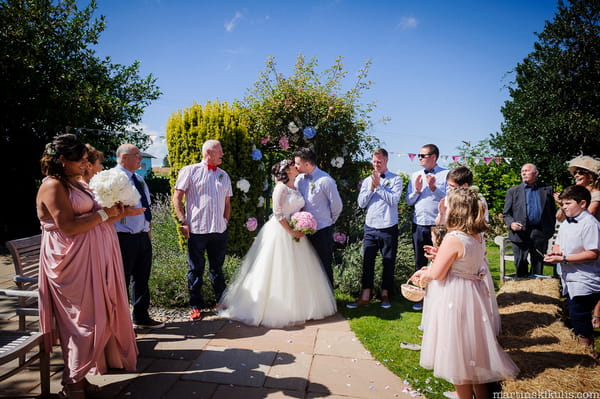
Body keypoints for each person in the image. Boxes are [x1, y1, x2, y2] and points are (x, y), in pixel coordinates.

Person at [36, 134, 140, 399]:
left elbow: (94, 214)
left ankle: (78, 378)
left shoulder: (74, 183)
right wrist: (106, 214)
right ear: (62, 159)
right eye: (80, 161)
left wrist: (119, 211)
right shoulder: (52, 186)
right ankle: (73, 383)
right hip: (70, 262)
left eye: (85, 160)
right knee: (82, 323)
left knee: (101, 315)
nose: (85, 165)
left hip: (90, 257)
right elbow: (69, 227)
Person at [410, 187, 519, 399]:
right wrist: (434, 265)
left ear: (456, 210)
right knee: (472, 356)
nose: (445, 209)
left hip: (454, 298)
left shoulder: (453, 237)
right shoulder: (476, 236)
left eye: (448, 205)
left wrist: (424, 275)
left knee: (457, 358)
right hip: (472, 296)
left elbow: (440, 273)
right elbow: (458, 262)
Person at [218, 160, 337, 327]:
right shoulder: (280, 188)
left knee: (298, 271)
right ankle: (271, 309)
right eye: (292, 165)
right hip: (280, 232)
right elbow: (278, 213)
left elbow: (299, 209)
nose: (296, 167)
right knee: (278, 270)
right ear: (287, 171)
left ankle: (300, 308)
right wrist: (291, 230)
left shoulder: (296, 186)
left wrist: (302, 222)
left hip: (296, 233)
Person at [173, 139, 232, 321]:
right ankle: (195, 305)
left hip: (218, 230)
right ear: (208, 152)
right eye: (219, 151)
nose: (222, 154)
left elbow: (227, 202)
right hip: (197, 230)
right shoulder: (190, 171)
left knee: (217, 269)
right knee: (196, 269)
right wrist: (183, 221)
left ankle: (221, 302)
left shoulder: (224, 175)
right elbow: (177, 197)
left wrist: (225, 221)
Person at [543, 185, 600, 362]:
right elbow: (559, 242)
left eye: (568, 203)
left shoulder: (590, 224)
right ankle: (587, 352)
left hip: (585, 279)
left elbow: (593, 253)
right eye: (562, 204)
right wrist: (556, 252)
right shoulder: (567, 221)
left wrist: (565, 258)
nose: (564, 207)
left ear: (583, 203)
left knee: (579, 317)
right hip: (570, 278)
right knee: (576, 316)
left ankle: (588, 355)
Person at [113, 144, 164, 329]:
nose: (140, 159)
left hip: (142, 236)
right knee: (122, 280)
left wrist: (148, 232)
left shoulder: (139, 179)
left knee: (142, 278)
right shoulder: (114, 179)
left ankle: (141, 317)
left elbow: (146, 207)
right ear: (124, 157)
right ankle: (121, 323)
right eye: (137, 156)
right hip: (123, 237)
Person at [347, 148, 402, 309]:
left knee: (388, 262)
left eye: (379, 161)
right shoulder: (366, 181)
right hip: (370, 226)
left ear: (386, 161)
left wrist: (379, 187)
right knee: (368, 262)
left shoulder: (396, 179)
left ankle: (385, 295)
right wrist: (371, 187)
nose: (376, 164)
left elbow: (394, 201)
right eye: (374, 161)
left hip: (388, 226)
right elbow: (361, 203)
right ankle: (365, 295)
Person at [405, 144, 448, 311]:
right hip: (419, 223)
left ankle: (440, 297)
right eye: (419, 155)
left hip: (438, 226)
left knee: (440, 262)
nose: (420, 158)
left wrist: (433, 188)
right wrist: (416, 191)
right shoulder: (415, 175)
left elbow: (450, 199)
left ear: (434, 157)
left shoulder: (446, 174)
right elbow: (409, 201)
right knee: (420, 260)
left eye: (423, 155)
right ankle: (420, 296)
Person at [294, 147, 343, 287]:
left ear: (307, 164)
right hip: (303, 232)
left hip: (322, 230)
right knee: (305, 267)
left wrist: (328, 221)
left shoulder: (325, 180)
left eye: (297, 164)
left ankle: (329, 303)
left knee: (324, 266)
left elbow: (337, 205)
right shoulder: (299, 179)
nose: (295, 166)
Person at [502, 163, 556, 278]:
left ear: (536, 173)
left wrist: (549, 229)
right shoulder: (513, 191)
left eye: (527, 171)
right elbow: (506, 213)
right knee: (520, 263)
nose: (524, 173)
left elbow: (552, 212)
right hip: (520, 233)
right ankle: (522, 292)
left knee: (538, 264)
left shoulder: (547, 189)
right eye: (522, 171)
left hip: (540, 233)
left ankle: (537, 293)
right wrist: (511, 224)